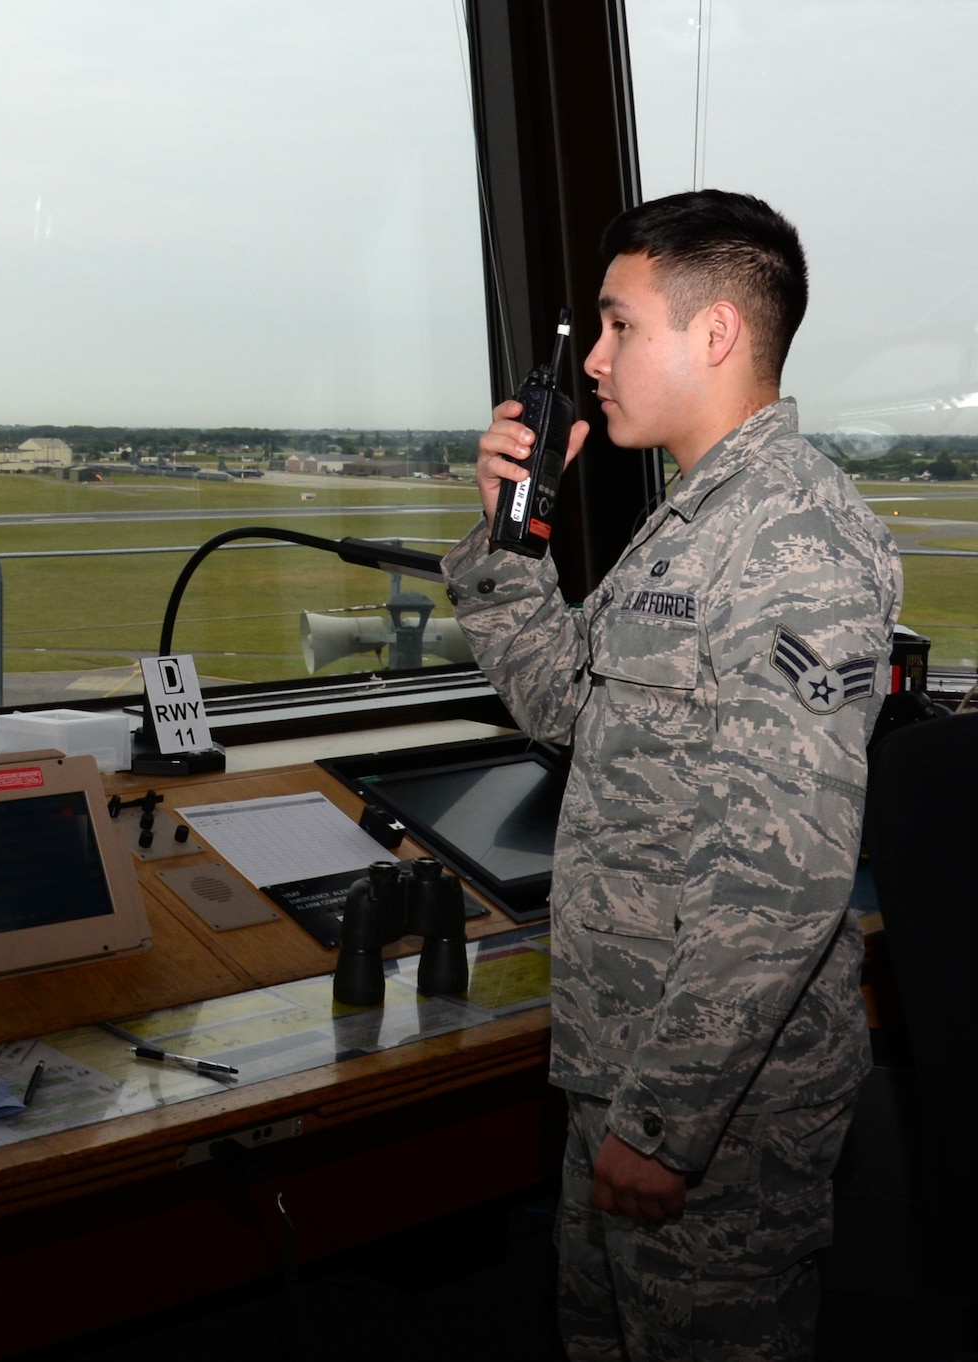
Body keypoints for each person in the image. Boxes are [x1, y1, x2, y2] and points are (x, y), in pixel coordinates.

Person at [445, 190, 901, 1359]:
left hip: (715, 1108)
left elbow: (782, 880)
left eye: (616, 327)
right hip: (624, 1059)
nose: (591, 362)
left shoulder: (793, 539)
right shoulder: (691, 523)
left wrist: (663, 1126)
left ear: (713, 336)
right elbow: (565, 706)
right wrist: (510, 531)